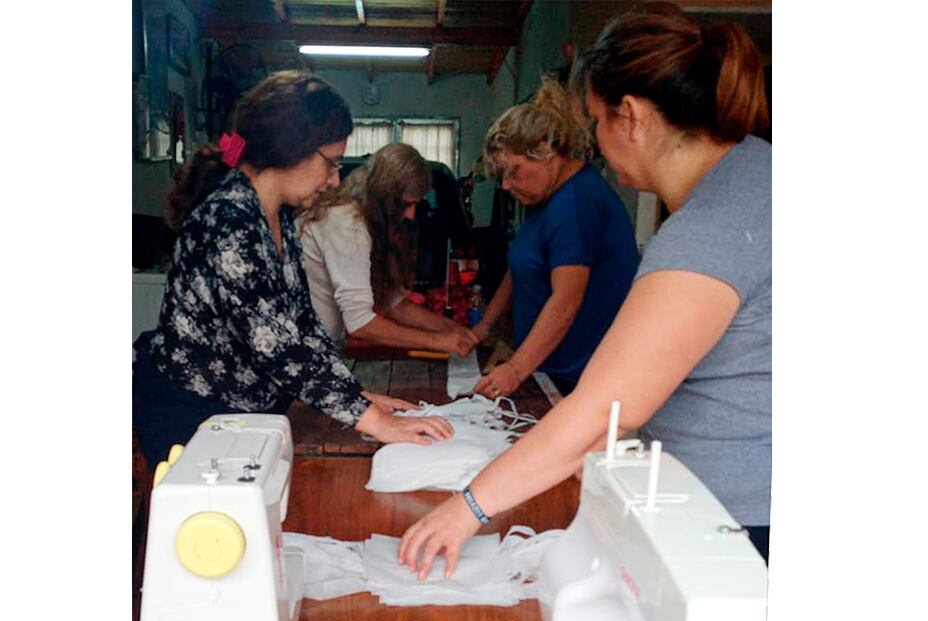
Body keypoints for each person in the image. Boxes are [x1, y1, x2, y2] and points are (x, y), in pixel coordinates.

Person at [398, 1, 771, 577]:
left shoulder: (712, 226)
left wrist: (468, 507)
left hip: (736, 522)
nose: (593, 140)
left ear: (632, 116)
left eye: (597, 120)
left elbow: (604, 406)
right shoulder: (752, 176)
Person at [133, 71, 453, 470]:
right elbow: (276, 346)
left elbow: (302, 326)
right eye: (331, 163)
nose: (334, 179)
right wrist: (374, 421)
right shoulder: (229, 221)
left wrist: (354, 395)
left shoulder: (278, 218)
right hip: (195, 416)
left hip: (243, 413)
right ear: (291, 150)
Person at [470, 77, 639, 399]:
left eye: (513, 170)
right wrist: (484, 327)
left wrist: (516, 368)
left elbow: (565, 300)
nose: (505, 185)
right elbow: (520, 267)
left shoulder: (576, 203)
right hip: (548, 368)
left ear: (545, 150)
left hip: (580, 377)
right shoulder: (543, 200)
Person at [295, 143, 479, 356]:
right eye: (406, 204)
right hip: (302, 350)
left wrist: (452, 329)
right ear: (384, 197)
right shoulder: (347, 223)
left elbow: (392, 302)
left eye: (416, 204)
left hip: (320, 347)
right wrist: (437, 341)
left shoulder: (367, 217)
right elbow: (360, 323)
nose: (411, 215)